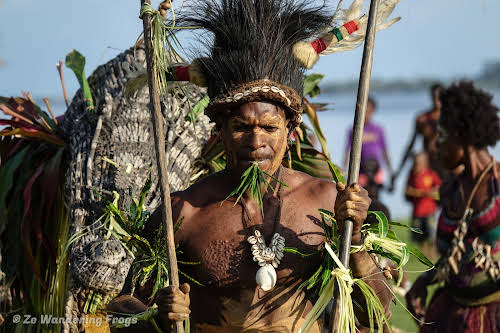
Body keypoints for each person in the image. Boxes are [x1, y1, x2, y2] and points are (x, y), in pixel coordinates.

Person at [107, 1, 393, 332]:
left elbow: (376, 316)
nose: (255, 140)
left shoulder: (328, 202)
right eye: (242, 127)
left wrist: (354, 238)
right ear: (221, 133)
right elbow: (119, 312)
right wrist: (158, 312)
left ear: (290, 132)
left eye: (269, 128)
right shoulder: (184, 212)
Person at [406, 81, 500, 332]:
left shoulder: (497, 184)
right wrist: (424, 281)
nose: (435, 147)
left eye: (442, 137)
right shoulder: (449, 189)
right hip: (451, 315)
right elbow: (455, 258)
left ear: (461, 135)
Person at [392, 84, 444, 188]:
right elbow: (411, 144)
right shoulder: (422, 119)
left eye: (439, 96)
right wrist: (397, 173)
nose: (436, 100)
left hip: (445, 164)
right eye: (434, 96)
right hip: (428, 165)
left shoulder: (449, 118)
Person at [344, 97, 393, 196]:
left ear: (373, 111)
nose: (366, 112)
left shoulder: (378, 129)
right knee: (360, 197)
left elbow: (385, 152)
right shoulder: (354, 130)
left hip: (376, 169)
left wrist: (391, 172)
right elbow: (347, 152)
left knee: (375, 198)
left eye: (368, 109)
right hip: (360, 171)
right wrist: (344, 174)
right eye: (364, 109)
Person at [405, 151, 441, 256]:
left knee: (431, 232)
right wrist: (415, 194)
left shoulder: (431, 174)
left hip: (429, 210)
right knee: (419, 234)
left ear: (425, 163)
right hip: (417, 211)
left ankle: (432, 251)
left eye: (418, 162)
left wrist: (428, 193)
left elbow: (439, 188)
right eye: (415, 163)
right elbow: (408, 191)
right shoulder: (412, 175)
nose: (416, 165)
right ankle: (422, 253)